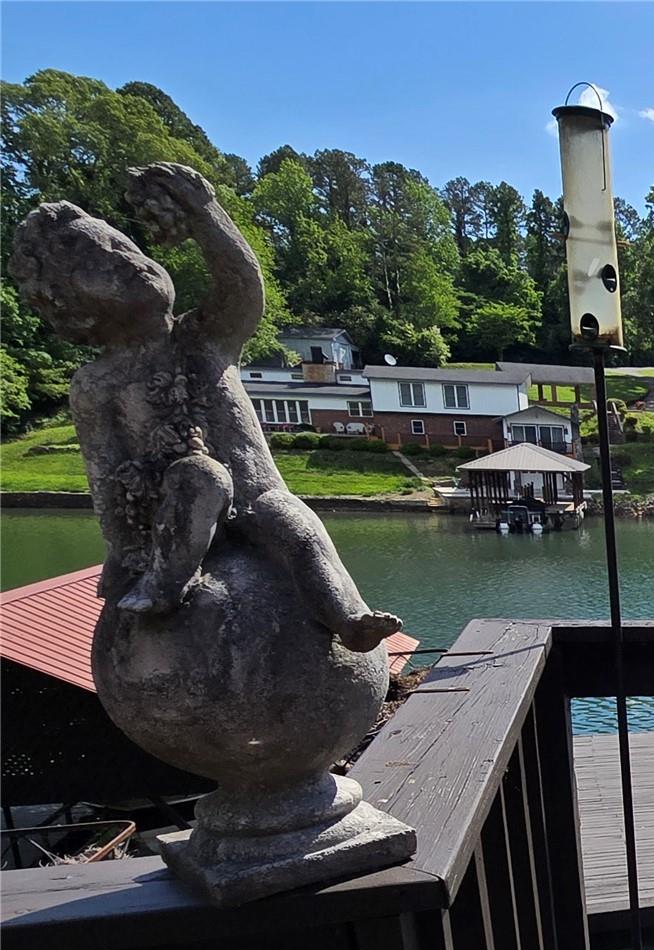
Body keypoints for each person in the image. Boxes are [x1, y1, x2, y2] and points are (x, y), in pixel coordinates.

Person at [9, 162, 400, 651]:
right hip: (172, 505)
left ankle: (349, 617)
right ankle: (164, 585)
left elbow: (242, 285)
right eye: (100, 262)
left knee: (300, 528)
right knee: (200, 478)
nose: (125, 258)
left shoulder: (205, 337)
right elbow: (105, 475)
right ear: (73, 309)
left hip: (256, 496)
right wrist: (124, 551)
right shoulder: (97, 383)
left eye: (123, 245)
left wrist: (203, 210)